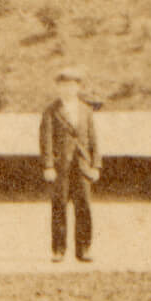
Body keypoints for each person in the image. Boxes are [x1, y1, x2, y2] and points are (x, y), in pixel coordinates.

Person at [40, 68, 100, 263]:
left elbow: (93, 140)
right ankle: (58, 250)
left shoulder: (86, 110)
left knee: (84, 207)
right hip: (60, 168)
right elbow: (46, 140)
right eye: (63, 86)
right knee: (59, 207)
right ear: (58, 88)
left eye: (72, 86)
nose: (67, 90)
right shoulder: (51, 111)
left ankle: (84, 249)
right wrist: (48, 165)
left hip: (82, 166)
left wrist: (96, 166)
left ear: (78, 87)